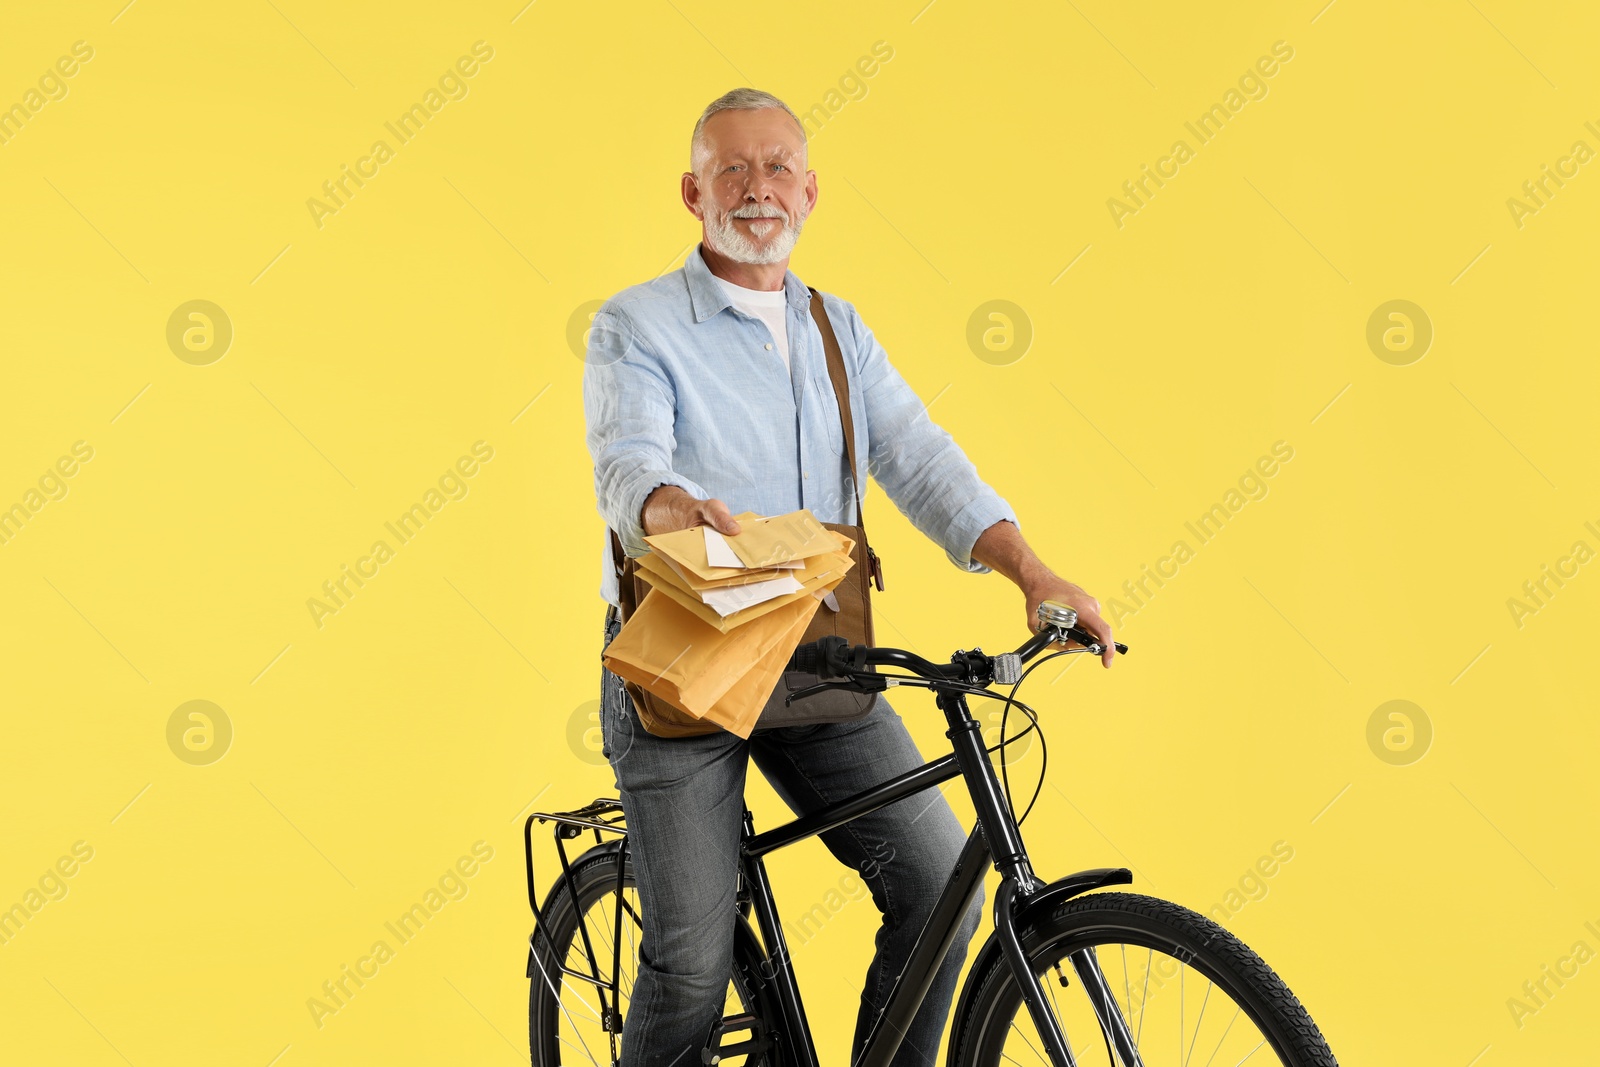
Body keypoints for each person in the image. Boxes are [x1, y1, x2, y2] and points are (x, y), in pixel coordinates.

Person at [582, 87, 1116, 1067]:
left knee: (938, 893)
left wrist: (1030, 573)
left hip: (819, 659)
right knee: (693, 965)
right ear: (691, 191)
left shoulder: (837, 328)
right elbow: (627, 463)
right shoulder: (636, 324)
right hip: (683, 674)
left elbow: (919, 457)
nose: (756, 188)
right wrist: (676, 507)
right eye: (731, 169)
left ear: (810, 191)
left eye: (776, 166)